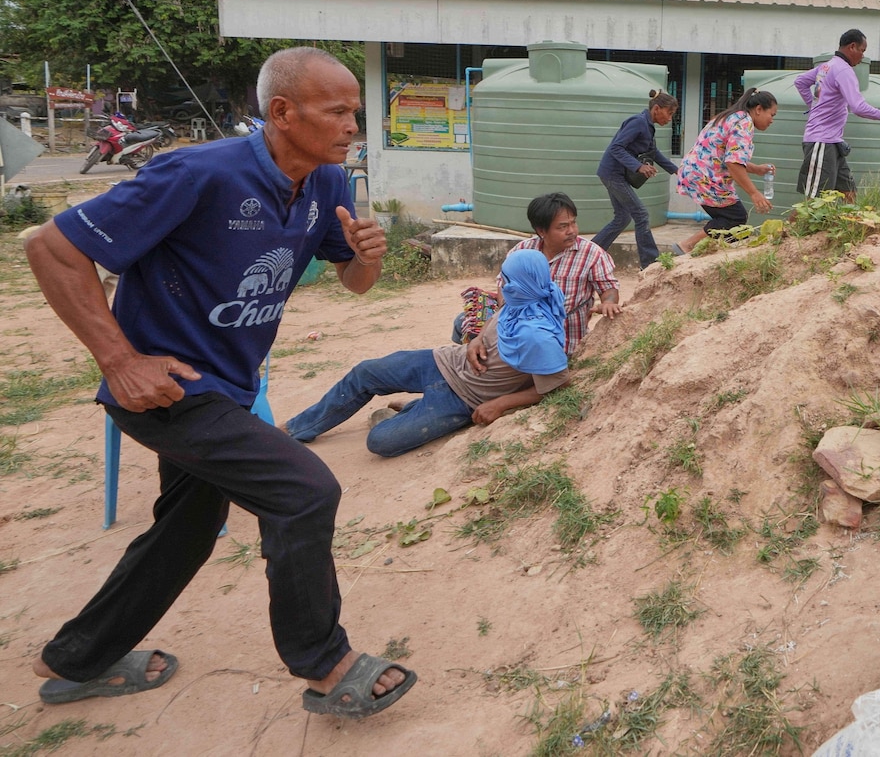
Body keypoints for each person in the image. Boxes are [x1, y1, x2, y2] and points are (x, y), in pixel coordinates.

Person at [24, 47, 415, 717]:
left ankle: (77, 658)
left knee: (188, 527)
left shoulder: (325, 183)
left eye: (356, 110)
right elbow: (50, 248)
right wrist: (120, 361)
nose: (354, 124)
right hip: (167, 390)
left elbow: (354, 281)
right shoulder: (199, 172)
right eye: (338, 110)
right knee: (303, 489)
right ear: (284, 112)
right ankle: (325, 663)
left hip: (228, 386)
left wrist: (368, 259)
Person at [287, 249, 569, 457]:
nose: (499, 283)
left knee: (380, 441)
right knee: (365, 372)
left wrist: (501, 404)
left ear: (518, 283)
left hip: (463, 400)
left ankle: (413, 411)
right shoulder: (521, 296)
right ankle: (297, 429)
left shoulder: (538, 334)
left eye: (504, 278)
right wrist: (475, 340)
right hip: (443, 361)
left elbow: (554, 384)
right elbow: (496, 317)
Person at [486, 192, 622, 356]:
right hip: (521, 336)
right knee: (464, 325)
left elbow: (609, 287)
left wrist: (608, 302)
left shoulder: (592, 254)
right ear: (541, 230)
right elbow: (503, 285)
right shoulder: (522, 251)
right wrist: (507, 310)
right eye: (563, 227)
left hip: (565, 345)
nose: (572, 231)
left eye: (573, 223)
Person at [794, 29, 880, 202]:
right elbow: (858, 106)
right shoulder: (843, 71)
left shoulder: (826, 66)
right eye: (862, 51)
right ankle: (788, 229)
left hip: (833, 143)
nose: (862, 57)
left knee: (849, 194)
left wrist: (814, 105)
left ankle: (852, 226)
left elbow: (800, 82)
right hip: (822, 142)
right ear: (852, 47)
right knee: (815, 201)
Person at [673, 88, 779, 255]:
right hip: (705, 176)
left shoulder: (731, 116)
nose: (772, 120)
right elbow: (733, 163)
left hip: (695, 172)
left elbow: (729, 157)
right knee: (735, 219)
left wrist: (757, 169)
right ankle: (688, 245)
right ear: (759, 109)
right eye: (772, 115)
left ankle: (704, 250)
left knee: (730, 219)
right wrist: (754, 193)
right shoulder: (744, 124)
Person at [592, 90, 679, 268]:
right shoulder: (638, 122)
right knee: (641, 215)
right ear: (657, 109)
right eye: (669, 113)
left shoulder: (647, 126)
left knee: (622, 218)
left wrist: (679, 172)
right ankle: (649, 263)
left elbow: (654, 154)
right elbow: (616, 147)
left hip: (614, 174)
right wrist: (638, 166)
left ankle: (590, 253)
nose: (670, 118)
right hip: (612, 174)